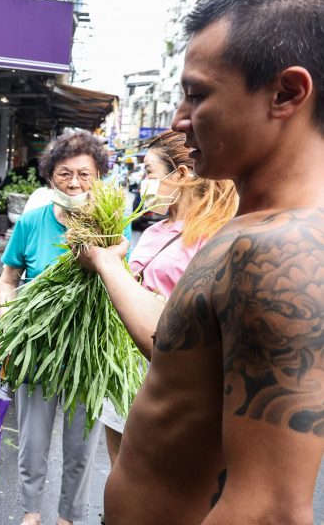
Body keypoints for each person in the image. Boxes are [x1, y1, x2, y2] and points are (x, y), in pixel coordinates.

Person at [87, 0, 324, 525]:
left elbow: (270, 515)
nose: (178, 120)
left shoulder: (282, 252)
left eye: (196, 96)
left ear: (285, 93)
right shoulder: (249, 233)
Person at [0, 129, 121, 525]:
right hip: (37, 348)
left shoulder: (111, 225)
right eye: (64, 173)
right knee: (31, 440)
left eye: (84, 174)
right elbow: (9, 277)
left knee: (80, 444)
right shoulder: (32, 221)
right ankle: (30, 516)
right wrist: (7, 321)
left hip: (87, 351)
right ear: (50, 177)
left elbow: (123, 284)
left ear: (99, 177)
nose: (73, 182)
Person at [77, 131, 238, 466]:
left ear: (180, 175)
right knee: (119, 469)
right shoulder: (152, 231)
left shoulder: (217, 236)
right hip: (125, 364)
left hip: (169, 373)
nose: (144, 183)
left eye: (149, 172)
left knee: (155, 475)